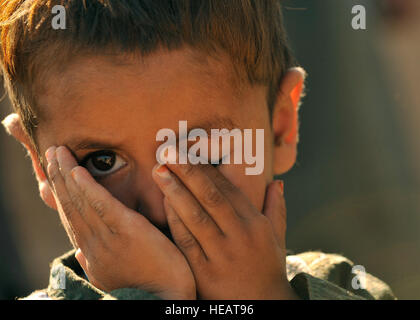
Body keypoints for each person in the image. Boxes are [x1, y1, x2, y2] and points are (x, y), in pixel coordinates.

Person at [0, 0, 395, 300]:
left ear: (280, 128)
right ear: (40, 165)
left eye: (202, 154)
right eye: (102, 162)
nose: (159, 207)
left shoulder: (348, 286)